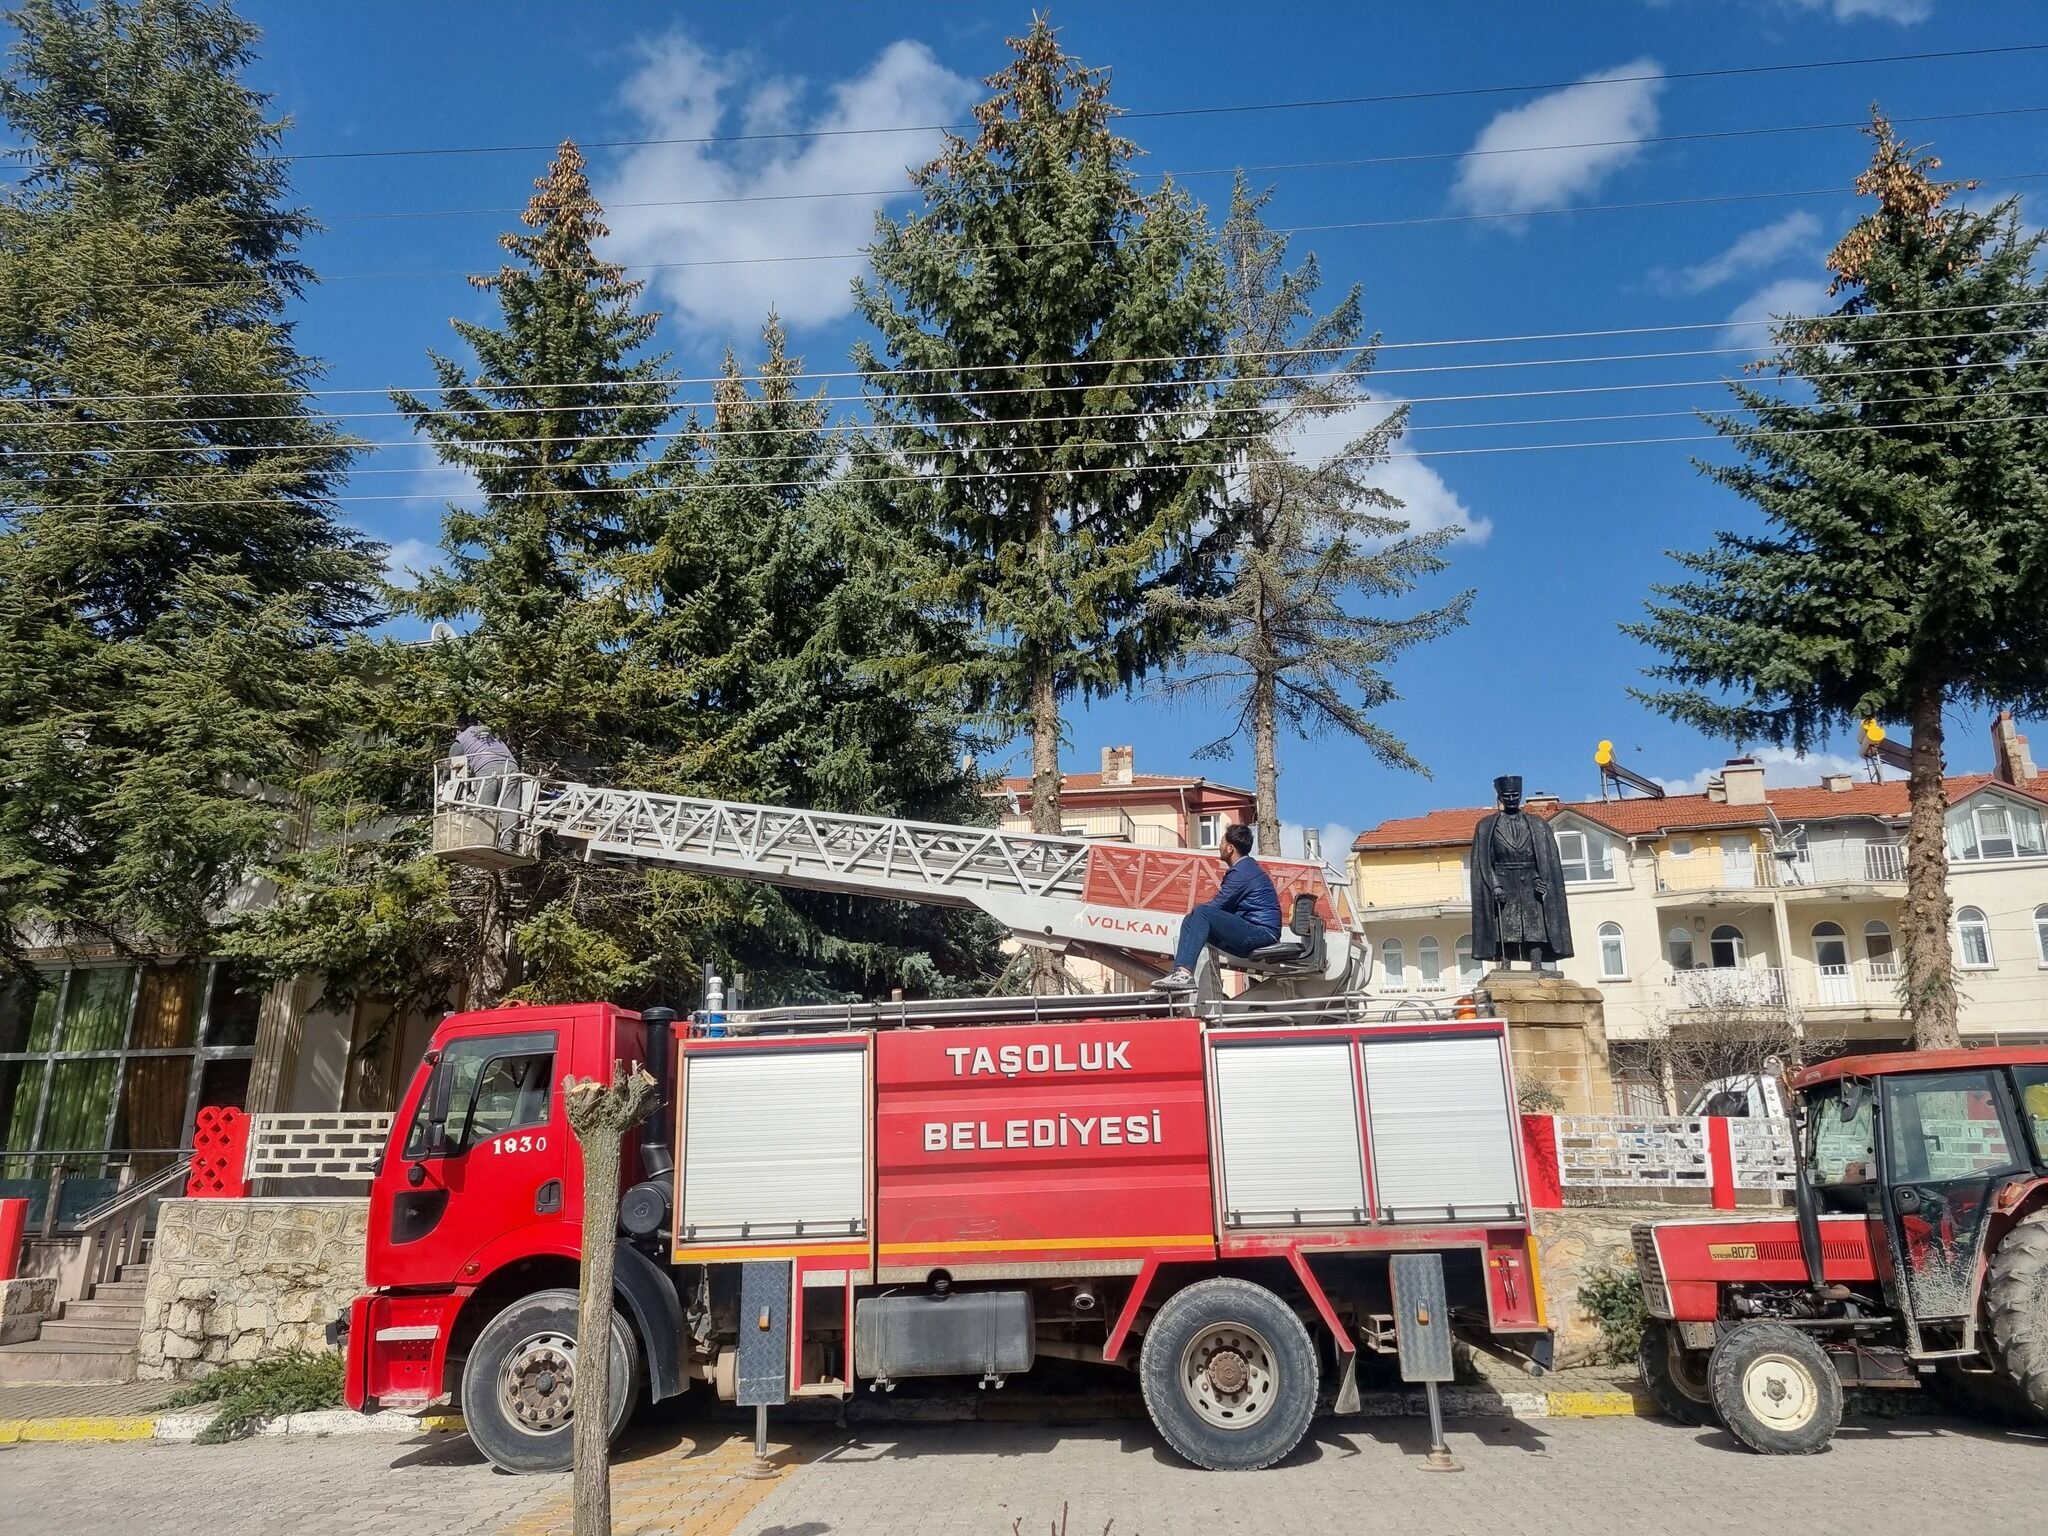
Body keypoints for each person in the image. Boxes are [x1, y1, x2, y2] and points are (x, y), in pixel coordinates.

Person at [1154, 824, 1281, 992]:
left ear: (1230, 848)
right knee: (1190, 919)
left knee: (1201, 913)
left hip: (1262, 933)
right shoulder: (1246, 868)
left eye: (1221, 843)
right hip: (1254, 929)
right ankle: (1180, 972)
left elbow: (1217, 906)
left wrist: (1199, 912)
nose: (1219, 847)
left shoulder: (1242, 872)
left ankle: (1184, 973)